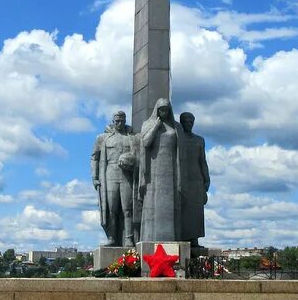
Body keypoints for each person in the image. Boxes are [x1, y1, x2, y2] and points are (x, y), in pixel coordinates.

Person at [138, 98, 185, 242]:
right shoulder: (148, 124)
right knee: (153, 203)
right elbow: (145, 142)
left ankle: (172, 236)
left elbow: (181, 150)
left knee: (171, 205)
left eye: (166, 110)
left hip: (171, 170)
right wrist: (156, 126)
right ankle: (151, 237)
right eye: (161, 110)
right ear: (157, 110)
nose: (163, 112)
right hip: (154, 169)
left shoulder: (176, 127)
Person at [90, 110, 137, 247]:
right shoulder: (103, 138)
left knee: (128, 208)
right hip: (109, 175)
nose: (119, 123)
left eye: (122, 120)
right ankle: (112, 238)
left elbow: (138, 155)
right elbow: (94, 158)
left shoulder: (131, 138)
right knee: (111, 209)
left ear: (125, 121)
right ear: (113, 121)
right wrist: (95, 176)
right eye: (117, 121)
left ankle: (128, 238)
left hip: (126, 176)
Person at [178, 112, 210, 252]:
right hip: (182, 178)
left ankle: (194, 239)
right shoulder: (178, 138)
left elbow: (202, 161)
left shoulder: (199, 140)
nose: (188, 124)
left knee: (196, 211)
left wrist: (206, 179)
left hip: (197, 179)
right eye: (186, 121)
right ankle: (182, 237)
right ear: (181, 122)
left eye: (191, 121)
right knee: (183, 210)